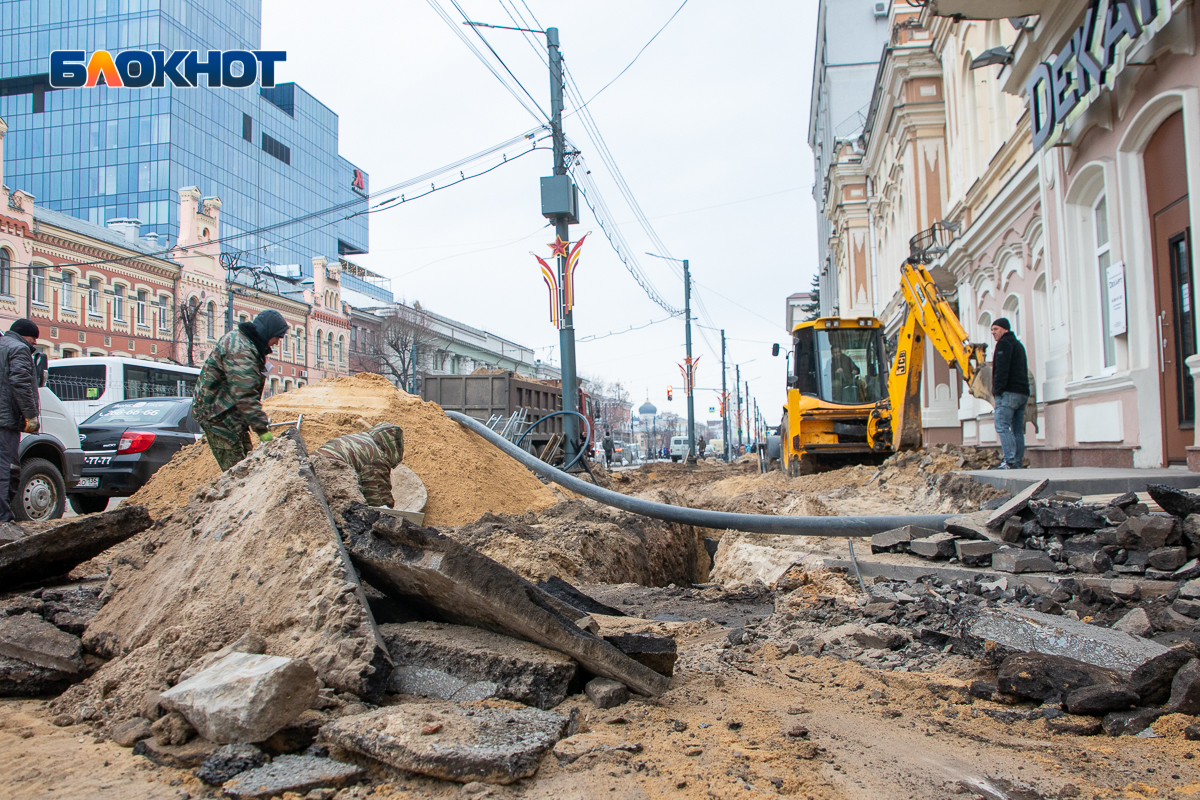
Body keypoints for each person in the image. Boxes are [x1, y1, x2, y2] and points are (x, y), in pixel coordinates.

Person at [194, 309, 290, 470]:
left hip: (229, 415)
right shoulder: (242, 350)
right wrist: (264, 433)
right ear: (268, 332)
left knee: (248, 465)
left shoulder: (245, 343)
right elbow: (245, 396)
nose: (277, 343)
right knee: (237, 474)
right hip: (219, 418)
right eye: (277, 337)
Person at [0, 320, 40, 523]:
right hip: (5, 422)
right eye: (34, 338)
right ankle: (3, 520)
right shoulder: (19, 349)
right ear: (26, 335)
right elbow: (21, 382)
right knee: (8, 470)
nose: (34, 343)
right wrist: (30, 415)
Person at [316, 423, 405, 507]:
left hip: (310, 467)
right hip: (329, 476)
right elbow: (379, 501)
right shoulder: (375, 456)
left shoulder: (361, 439)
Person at [990, 317, 1030, 470]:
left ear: (1005, 329)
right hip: (1022, 393)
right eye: (992, 330)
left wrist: (997, 391)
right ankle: (1017, 461)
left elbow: (1001, 371)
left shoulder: (1003, 345)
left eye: (996, 329)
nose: (993, 333)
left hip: (1008, 393)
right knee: (1017, 429)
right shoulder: (1018, 345)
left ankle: (1009, 461)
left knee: (1001, 425)